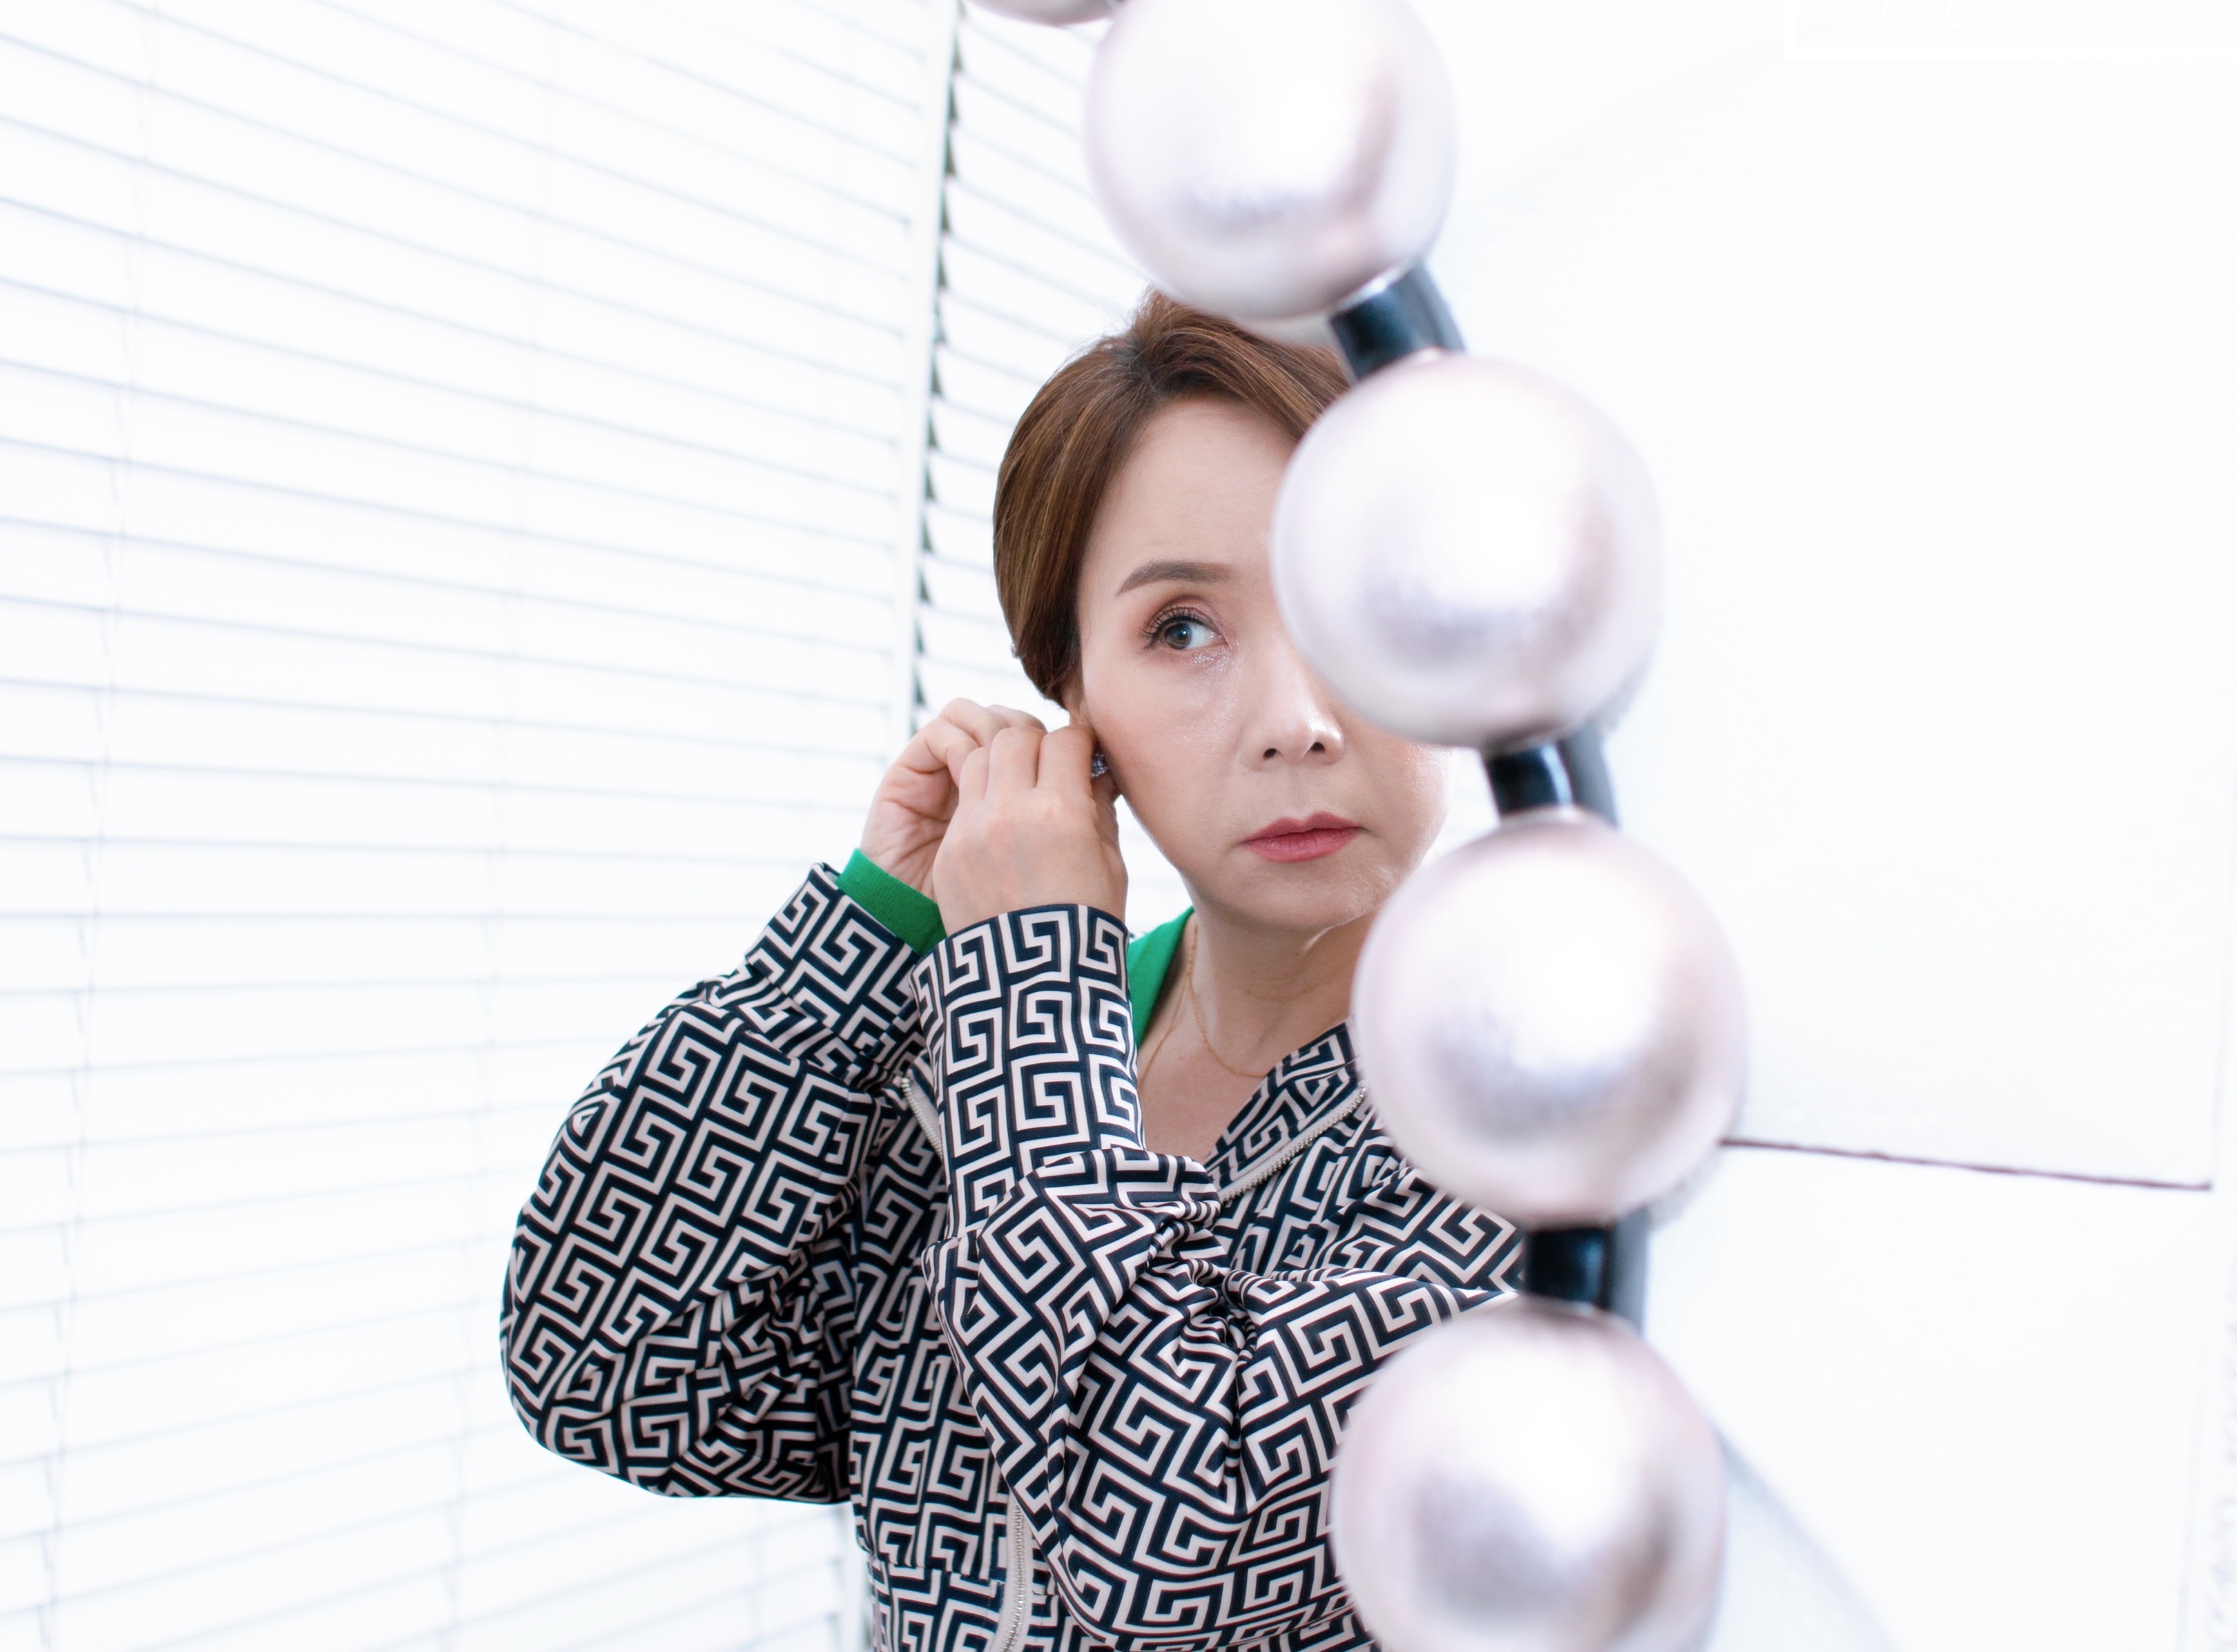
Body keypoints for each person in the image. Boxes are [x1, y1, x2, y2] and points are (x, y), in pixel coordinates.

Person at [501, 293, 1520, 1652]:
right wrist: (864, 940)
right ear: (1071, 695)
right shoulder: (980, 1056)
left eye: (1362, 603)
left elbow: (1169, 1533)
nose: (1294, 722)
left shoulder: (1534, 1114)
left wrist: (1030, 988)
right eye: (1181, 629)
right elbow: (607, 1369)